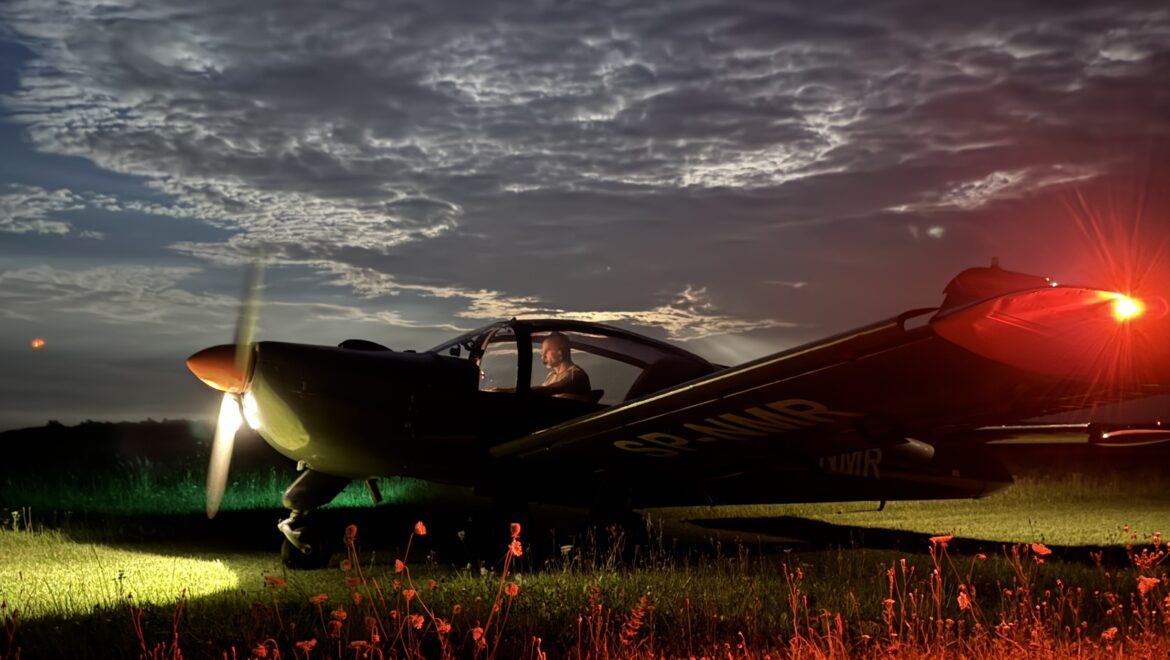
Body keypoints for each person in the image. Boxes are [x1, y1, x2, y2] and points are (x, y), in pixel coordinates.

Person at [532, 332, 592, 400]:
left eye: (548, 350)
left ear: (562, 351)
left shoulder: (576, 375)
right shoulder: (550, 376)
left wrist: (523, 391)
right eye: (542, 351)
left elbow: (552, 389)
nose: (543, 356)